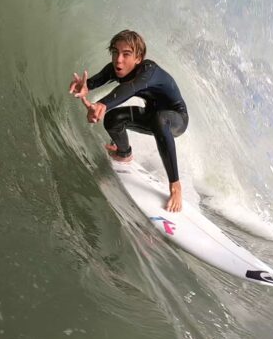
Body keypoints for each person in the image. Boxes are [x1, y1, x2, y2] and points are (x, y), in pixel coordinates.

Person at [68, 30, 189, 212]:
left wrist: (102, 104)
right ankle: (124, 153)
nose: (118, 60)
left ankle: (176, 185)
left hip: (175, 119)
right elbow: (91, 84)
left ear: (138, 58)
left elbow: (130, 88)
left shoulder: (149, 71)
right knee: (113, 119)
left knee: (160, 118)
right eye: (115, 52)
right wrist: (84, 87)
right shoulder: (114, 69)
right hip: (152, 116)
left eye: (126, 54)